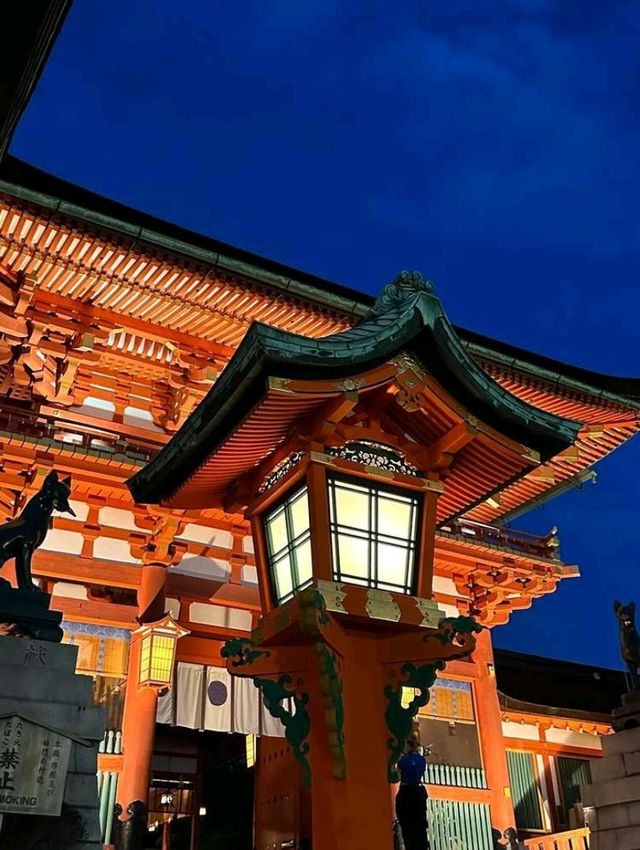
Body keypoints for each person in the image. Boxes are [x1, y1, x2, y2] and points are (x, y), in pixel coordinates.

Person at [395, 736, 429, 850]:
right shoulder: (421, 760)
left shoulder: (407, 759)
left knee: (408, 827)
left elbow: (400, 765)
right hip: (418, 792)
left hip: (408, 792)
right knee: (419, 828)